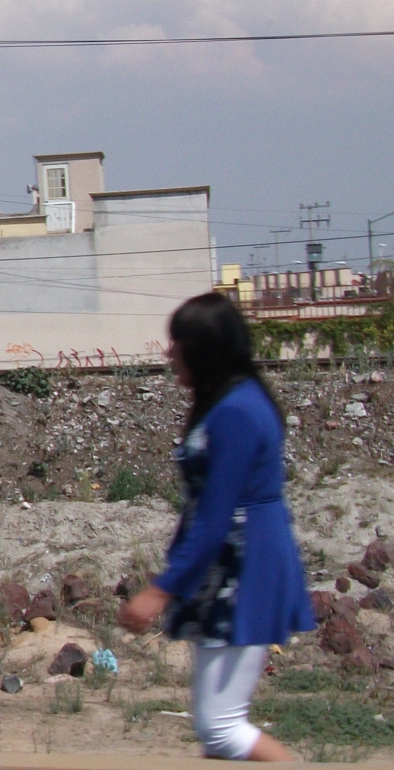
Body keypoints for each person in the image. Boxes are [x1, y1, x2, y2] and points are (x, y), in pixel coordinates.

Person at [118, 292, 314, 761]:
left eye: (178, 343)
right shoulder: (227, 404)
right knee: (218, 731)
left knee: (222, 728)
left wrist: (160, 591)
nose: (169, 354)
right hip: (230, 568)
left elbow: (215, 515)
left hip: (245, 571)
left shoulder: (237, 412)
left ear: (203, 350)